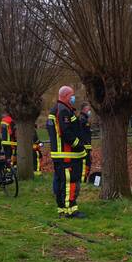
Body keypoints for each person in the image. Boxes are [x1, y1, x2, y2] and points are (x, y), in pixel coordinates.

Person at [46, 86, 86, 218]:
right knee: (70, 181)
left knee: (61, 182)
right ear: (66, 96)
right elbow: (66, 133)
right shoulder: (63, 111)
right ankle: (70, 210)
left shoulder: (58, 109)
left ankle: (62, 209)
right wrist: (79, 145)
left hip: (60, 155)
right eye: (72, 95)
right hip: (67, 155)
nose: (73, 98)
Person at [79, 103, 93, 182]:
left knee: (88, 163)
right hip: (84, 147)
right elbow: (82, 134)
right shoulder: (82, 119)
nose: (89, 111)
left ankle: (84, 179)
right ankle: (82, 181)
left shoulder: (85, 119)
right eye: (88, 109)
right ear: (84, 109)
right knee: (85, 164)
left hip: (86, 146)